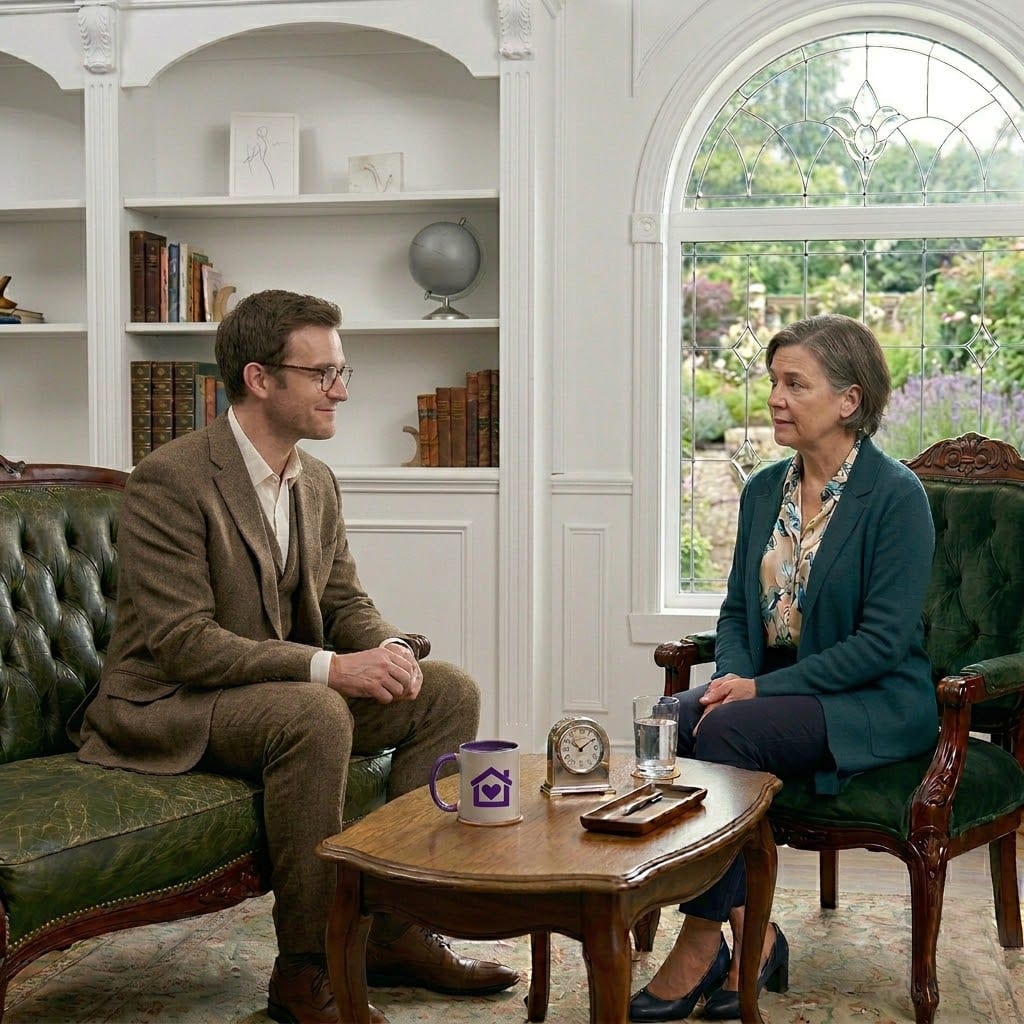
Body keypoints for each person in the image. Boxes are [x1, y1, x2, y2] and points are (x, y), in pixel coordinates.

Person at [73, 289, 518, 1024]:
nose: (341, 391)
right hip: (168, 704)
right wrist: (330, 669)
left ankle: (397, 932)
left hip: (265, 697)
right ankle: (305, 968)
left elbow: (343, 599)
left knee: (444, 691)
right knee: (313, 711)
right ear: (260, 379)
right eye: (323, 375)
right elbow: (184, 644)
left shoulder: (315, 480)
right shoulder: (172, 478)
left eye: (342, 372)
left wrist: (388, 649)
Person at [629, 314, 938, 1022]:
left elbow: (883, 644)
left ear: (849, 401)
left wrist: (755, 690)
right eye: (774, 381)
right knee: (672, 720)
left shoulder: (896, 498)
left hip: (873, 697)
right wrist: (731, 681)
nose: (775, 397)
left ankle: (703, 940)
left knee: (728, 733)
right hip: (776, 687)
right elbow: (738, 612)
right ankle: (757, 933)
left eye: (795, 384)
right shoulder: (763, 488)